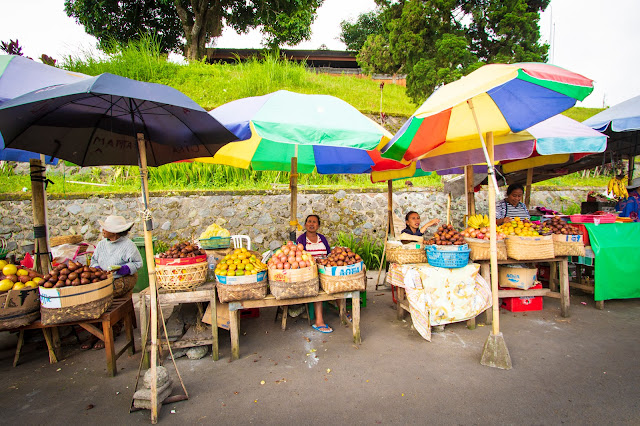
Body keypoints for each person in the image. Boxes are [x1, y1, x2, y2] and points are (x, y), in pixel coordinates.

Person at [84, 215, 142, 349]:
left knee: (108, 293)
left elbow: (138, 263)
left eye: (106, 228)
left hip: (123, 278)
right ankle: (95, 332)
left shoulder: (128, 245)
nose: (102, 230)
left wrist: (123, 269)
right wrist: (98, 270)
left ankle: (112, 329)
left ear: (114, 232)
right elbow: (94, 261)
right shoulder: (101, 244)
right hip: (104, 278)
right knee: (93, 295)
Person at [296, 214, 333, 333]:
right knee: (316, 286)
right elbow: (298, 257)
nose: (312, 224)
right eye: (309, 222)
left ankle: (344, 312)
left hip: (324, 268)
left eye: (314, 222)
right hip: (309, 271)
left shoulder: (322, 238)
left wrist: (325, 261)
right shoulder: (301, 239)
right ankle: (319, 321)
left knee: (335, 281)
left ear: (318, 225)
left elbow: (329, 254)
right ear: (305, 224)